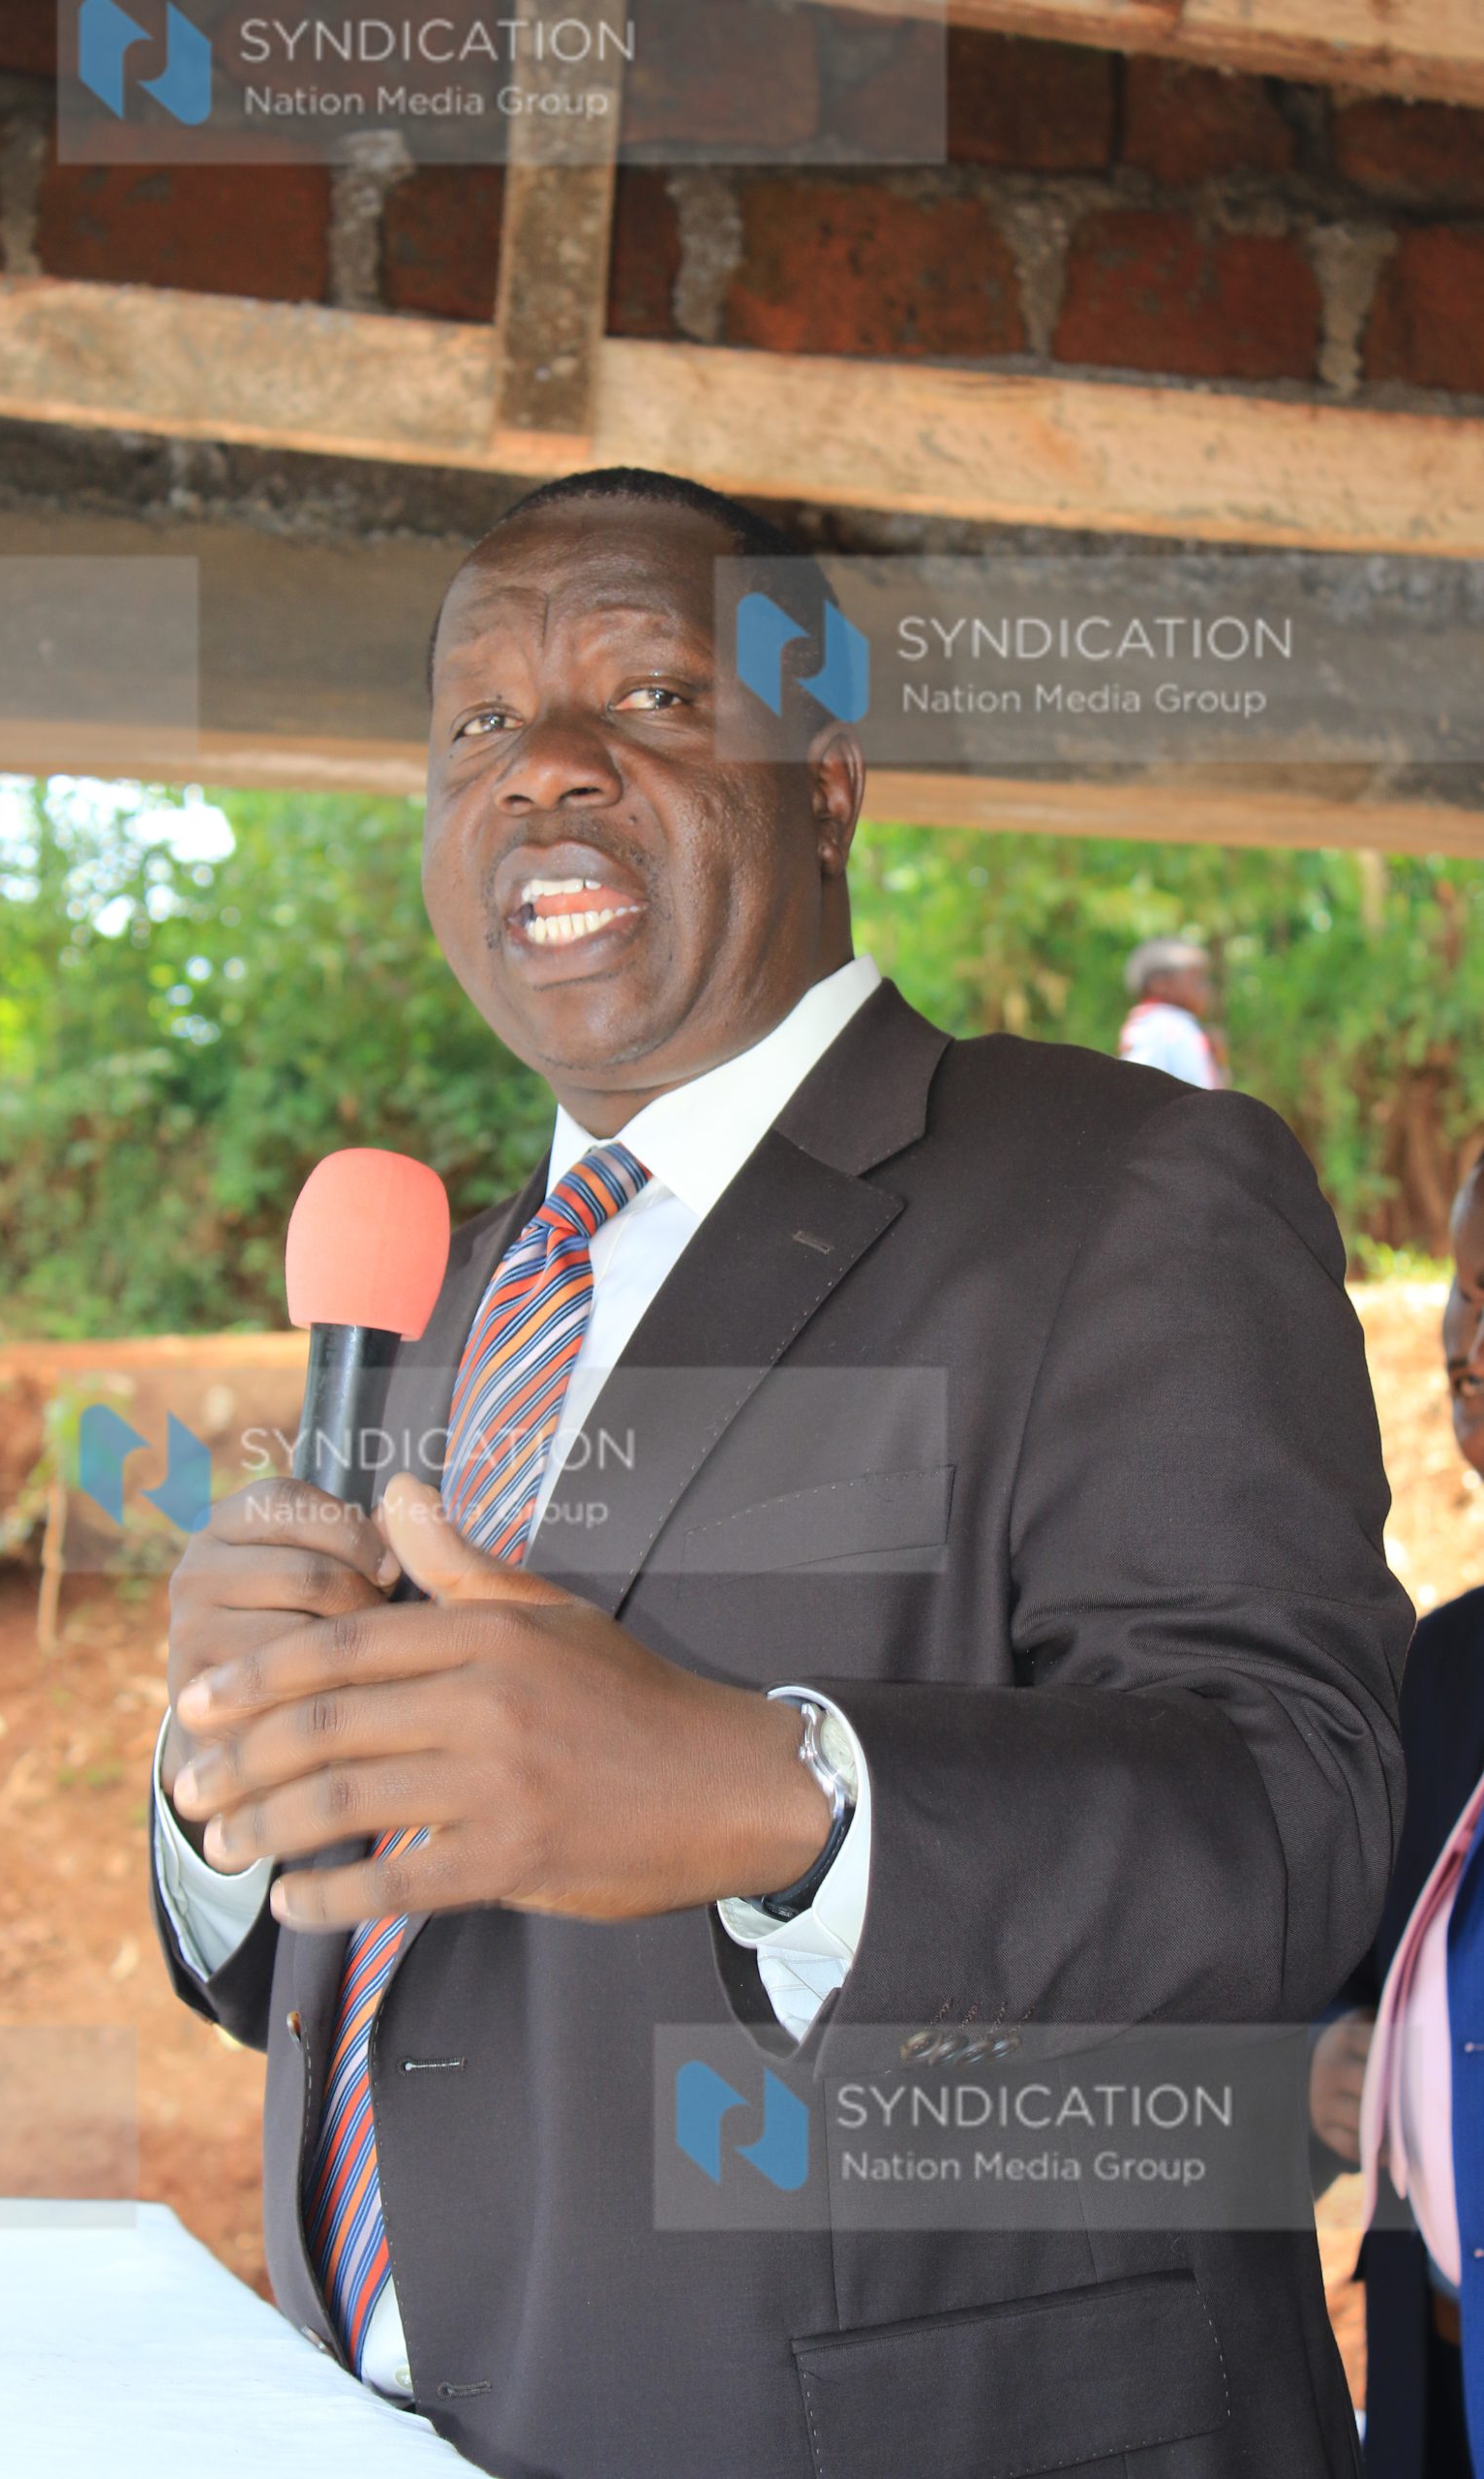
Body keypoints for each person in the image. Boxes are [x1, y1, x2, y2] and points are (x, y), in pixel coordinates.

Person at [148, 467, 1408, 2478]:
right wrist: (224, 1785)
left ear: (824, 778)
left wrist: (768, 1787)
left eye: (646, 695)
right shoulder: (436, 1294)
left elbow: (1297, 1818)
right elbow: (340, 1960)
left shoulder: (1124, 1190)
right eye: (474, 724)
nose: (539, 765)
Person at [1313, 1157, 1484, 2478]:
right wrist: (1327, 2068)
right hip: (1435, 2399)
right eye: (1463, 1307)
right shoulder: (1443, 1667)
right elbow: (1362, 1980)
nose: (1466, 1349)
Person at [1118, 935, 1226, 1087]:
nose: (1206, 987)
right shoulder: (1162, 1029)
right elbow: (1138, 1086)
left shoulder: (1176, 1026)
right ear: (1160, 984)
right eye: (1196, 978)